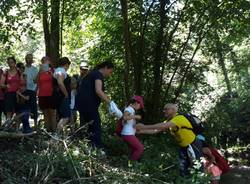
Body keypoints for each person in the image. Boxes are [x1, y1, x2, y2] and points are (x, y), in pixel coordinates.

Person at [137, 103, 203, 177]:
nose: (164, 111)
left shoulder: (179, 118)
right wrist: (141, 131)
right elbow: (156, 130)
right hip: (183, 147)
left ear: (173, 110)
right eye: (163, 109)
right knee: (183, 168)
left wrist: (144, 127)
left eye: (166, 109)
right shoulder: (170, 120)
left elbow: (163, 126)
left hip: (193, 144)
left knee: (198, 167)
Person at [76, 60, 114, 148]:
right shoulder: (97, 74)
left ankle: (91, 146)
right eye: (110, 72)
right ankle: (98, 147)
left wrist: (107, 104)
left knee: (90, 126)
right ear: (105, 68)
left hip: (83, 104)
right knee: (96, 126)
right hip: (88, 105)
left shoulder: (92, 73)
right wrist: (111, 103)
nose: (110, 75)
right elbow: (98, 91)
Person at [121, 96, 144, 162]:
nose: (140, 107)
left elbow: (127, 121)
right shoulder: (129, 109)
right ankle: (131, 164)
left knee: (135, 149)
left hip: (129, 134)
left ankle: (130, 164)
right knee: (140, 148)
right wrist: (136, 116)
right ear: (136, 103)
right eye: (140, 105)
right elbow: (125, 117)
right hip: (127, 134)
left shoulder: (131, 110)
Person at [37, 57, 57, 132]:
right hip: (42, 94)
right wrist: (39, 72)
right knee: (45, 113)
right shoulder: (40, 71)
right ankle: (47, 131)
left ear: (49, 62)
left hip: (51, 94)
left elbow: (56, 80)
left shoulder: (53, 70)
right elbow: (35, 81)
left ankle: (54, 131)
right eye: (43, 61)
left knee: (52, 113)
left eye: (46, 61)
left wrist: (50, 71)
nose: (45, 62)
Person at [53, 57, 71, 133]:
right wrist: (66, 94)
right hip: (62, 97)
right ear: (66, 64)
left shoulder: (56, 70)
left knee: (60, 116)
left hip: (57, 96)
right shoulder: (61, 71)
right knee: (66, 117)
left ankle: (59, 136)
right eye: (68, 65)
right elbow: (60, 83)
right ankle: (56, 136)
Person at [24, 54, 38, 127]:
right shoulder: (22, 68)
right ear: (25, 59)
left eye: (30, 58)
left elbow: (37, 81)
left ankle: (35, 126)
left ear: (32, 60)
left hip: (32, 90)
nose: (28, 59)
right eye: (27, 58)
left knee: (34, 108)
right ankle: (26, 126)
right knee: (24, 108)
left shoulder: (35, 69)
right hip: (24, 91)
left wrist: (36, 90)